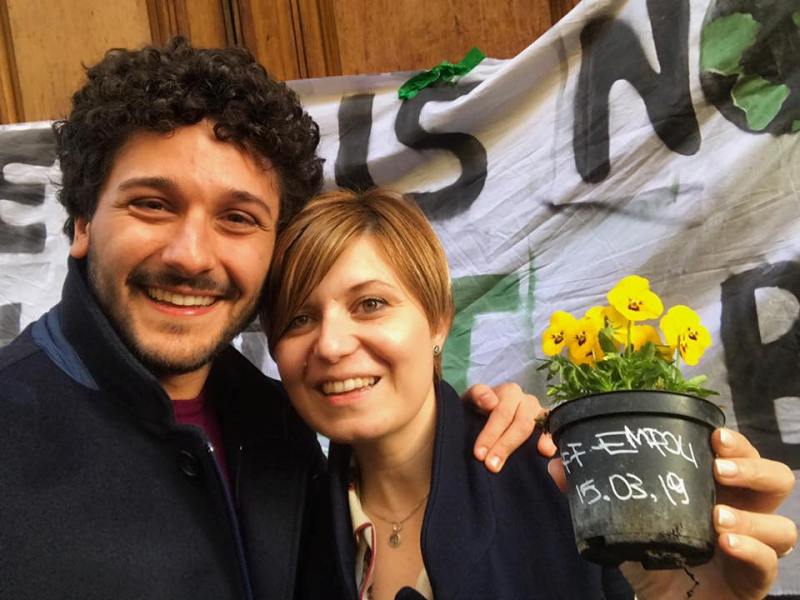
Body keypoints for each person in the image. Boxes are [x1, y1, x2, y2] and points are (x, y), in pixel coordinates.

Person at [0, 39, 540, 600]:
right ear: (83, 222)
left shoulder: (282, 430)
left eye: (237, 218)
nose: (191, 256)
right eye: (153, 205)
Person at [263, 187, 798, 600]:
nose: (330, 344)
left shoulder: (564, 479)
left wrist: (686, 591)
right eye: (299, 318)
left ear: (439, 321)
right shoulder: (284, 523)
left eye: (370, 304)